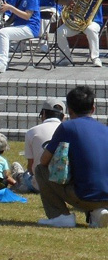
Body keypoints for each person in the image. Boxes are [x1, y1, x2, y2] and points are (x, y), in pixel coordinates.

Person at [35, 85, 108, 228]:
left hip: (84, 195)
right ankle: (98, 213)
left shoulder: (67, 127)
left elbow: (44, 161)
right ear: (93, 108)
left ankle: (60, 216)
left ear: (69, 110)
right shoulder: (105, 129)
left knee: (40, 170)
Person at [56, 0, 107, 68]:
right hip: (76, 21)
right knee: (59, 31)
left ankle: (95, 58)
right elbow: (59, 1)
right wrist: (68, 3)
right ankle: (65, 58)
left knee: (90, 29)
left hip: (93, 21)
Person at [19, 97, 65, 193]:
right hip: (63, 184)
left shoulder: (32, 132)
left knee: (24, 176)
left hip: (40, 184)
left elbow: (31, 168)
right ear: (63, 117)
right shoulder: (69, 131)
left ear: (43, 113)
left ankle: (18, 175)